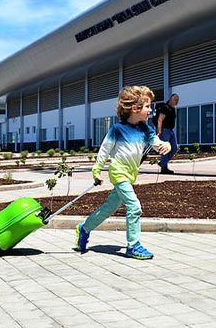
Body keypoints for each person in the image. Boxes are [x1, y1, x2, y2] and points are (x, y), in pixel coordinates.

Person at [75, 86, 171, 260]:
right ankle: (133, 245)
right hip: (119, 173)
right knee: (134, 207)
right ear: (135, 108)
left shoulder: (145, 129)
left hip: (130, 174)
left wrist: (167, 146)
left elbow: (157, 143)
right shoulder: (117, 130)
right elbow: (104, 150)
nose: (151, 110)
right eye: (148, 106)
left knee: (108, 208)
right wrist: (96, 170)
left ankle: (84, 228)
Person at [155, 93, 179, 174]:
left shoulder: (173, 109)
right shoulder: (165, 107)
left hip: (171, 131)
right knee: (165, 149)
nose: (176, 101)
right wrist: (159, 131)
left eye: (177, 100)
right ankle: (164, 168)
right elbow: (160, 120)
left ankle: (162, 163)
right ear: (170, 99)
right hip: (165, 130)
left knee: (174, 148)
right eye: (175, 99)